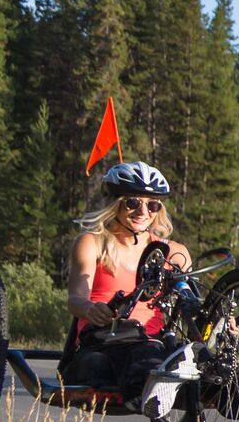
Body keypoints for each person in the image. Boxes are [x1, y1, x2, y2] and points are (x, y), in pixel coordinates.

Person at [61, 161, 192, 405]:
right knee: (103, 365)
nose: (143, 212)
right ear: (115, 203)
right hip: (104, 338)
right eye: (133, 202)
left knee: (191, 356)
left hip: (154, 341)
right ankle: (151, 392)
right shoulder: (92, 242)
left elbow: (191, 303)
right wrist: (90, 308)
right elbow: (75, 299)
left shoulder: (172, 252)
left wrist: (221, 322)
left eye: (152, 205)